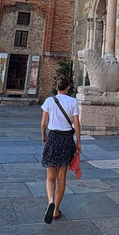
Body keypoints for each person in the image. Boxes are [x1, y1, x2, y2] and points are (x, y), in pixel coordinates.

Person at [40, 74, 80, 223]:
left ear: (56, 87)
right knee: (61, 177)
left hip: (53, 138)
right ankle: (56, 210)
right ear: (68, 88)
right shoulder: (73, 101)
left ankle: (50, 200)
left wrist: (44, 135)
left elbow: (43, 123)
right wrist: (79, 142)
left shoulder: (49, 101)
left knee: (50, 177)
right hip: (66, 139)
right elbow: (77, 124)